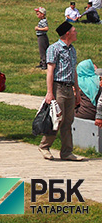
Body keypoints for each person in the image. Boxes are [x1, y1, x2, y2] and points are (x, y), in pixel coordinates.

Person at [39, 21, 85, 161]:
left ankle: (66, 152)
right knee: (56, 119)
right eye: (74, 31)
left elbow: (74, 71)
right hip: (58, 87)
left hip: (69, 88)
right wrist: (49, 92)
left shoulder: (72, 49)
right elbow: (50, 71)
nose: (76, 33)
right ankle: (44, 146)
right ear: (67, 33)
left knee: (68, 120)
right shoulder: (54, 48)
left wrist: (77, 90)